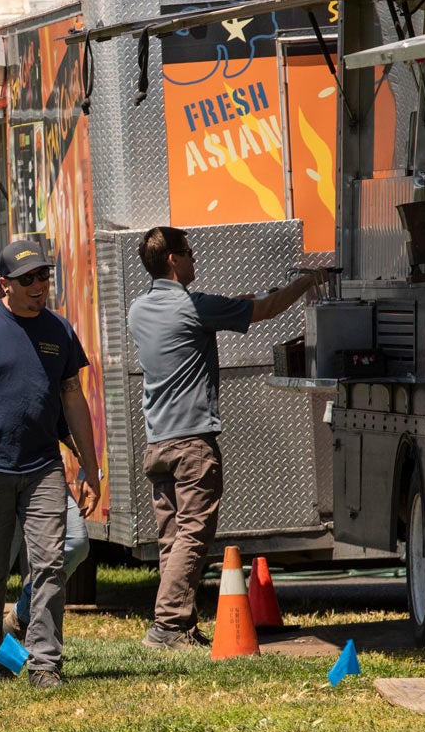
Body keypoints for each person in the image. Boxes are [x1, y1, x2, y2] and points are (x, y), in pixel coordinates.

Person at [126, 226, 321, 651]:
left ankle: (180, 626)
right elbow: (266, 309)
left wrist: (250, 300)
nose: (196, 259)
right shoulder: (192, 307)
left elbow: (236, 307)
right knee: (195, 533)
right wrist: (306, 282)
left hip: (157, 442)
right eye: (190, 253)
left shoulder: (138, 309)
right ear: (174, 260)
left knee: (172, 538)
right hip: (192, 442)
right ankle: (166, 626)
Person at [0, 240, 101, 688]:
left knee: (48, 564)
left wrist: (90, 465)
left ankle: (45, 664)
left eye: (44, 276)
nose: (38, 286)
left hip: (43, 465)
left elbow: (72, 397)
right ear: (5, 284)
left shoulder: (59, 331)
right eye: (27, 279)